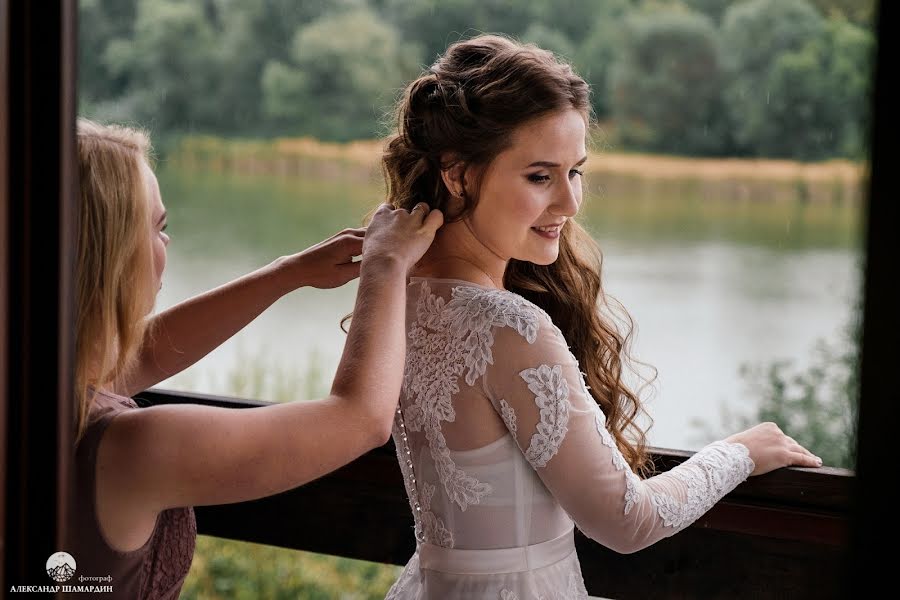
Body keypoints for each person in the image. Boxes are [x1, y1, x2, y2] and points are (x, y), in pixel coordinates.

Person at [377, 35, 822, 600]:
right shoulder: (508, 328)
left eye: (575, 172)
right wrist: (739, 453)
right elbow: (626, 521)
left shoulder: (397, 293)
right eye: (540, 177)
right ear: (458, 174)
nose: (569, 203)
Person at [69, 118, 443, 599]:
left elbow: (135, 358)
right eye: (160, 227)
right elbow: (360, 418)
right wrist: (387, 264)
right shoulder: (131, 446)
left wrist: (286, 274)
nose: (168, 243)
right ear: (107, 255)